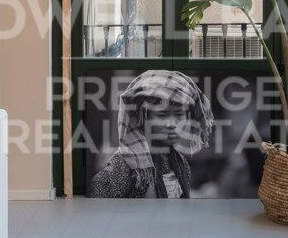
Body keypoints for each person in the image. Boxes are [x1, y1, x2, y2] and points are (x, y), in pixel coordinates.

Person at [87, 70, 213, 198]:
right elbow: (97, 195)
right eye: (162, 115)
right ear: (143, 117)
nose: (172, 123)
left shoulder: (181, 164)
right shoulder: (128, 163)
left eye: (179, 115)